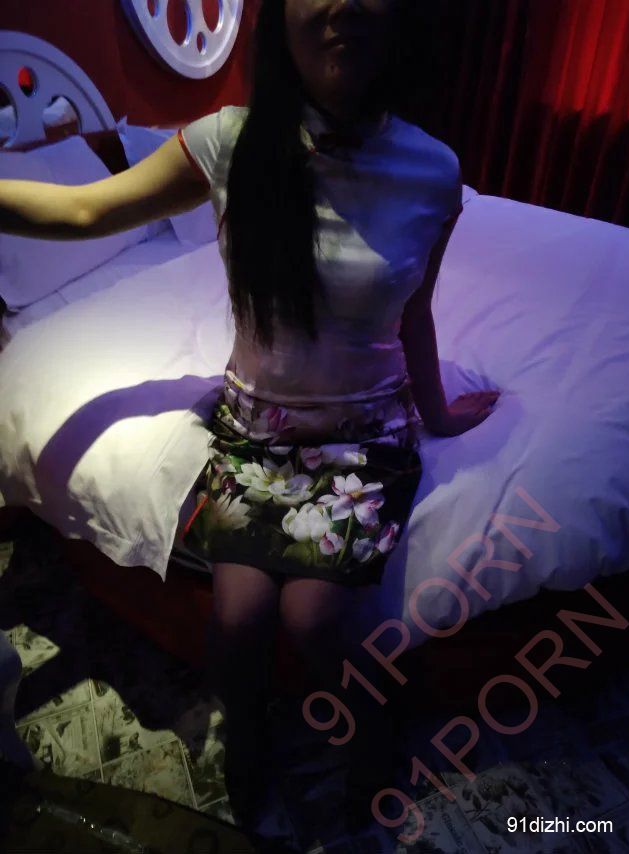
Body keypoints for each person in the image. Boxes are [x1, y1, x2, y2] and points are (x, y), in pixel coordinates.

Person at [0, 0, 501, 844]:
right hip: (257, 431)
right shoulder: (228, 141)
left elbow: (414, 312)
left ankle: (374, 735)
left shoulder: (433, 170)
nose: (341, 7)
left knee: (313, 618)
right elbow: (85, 213)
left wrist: (441, 410)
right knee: (236, 620)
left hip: (364, 434)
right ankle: (249, 738)